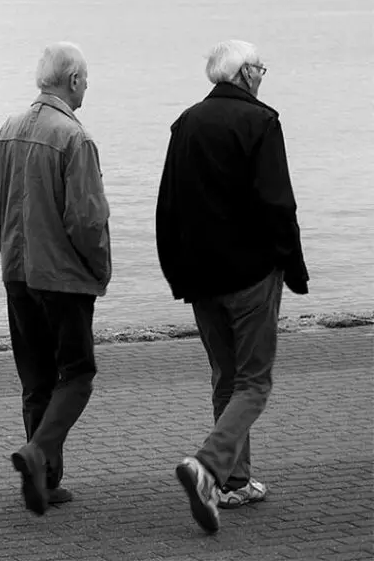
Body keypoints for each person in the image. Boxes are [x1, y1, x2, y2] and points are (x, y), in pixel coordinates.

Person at [156, 40, 309, 534]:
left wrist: (175, 272)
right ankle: (207, 466)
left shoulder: (186, 123)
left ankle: (235, 481)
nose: (263, 76)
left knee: (226, 378)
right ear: (243, 73)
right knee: (254, 382)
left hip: (202, 279)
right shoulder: (261, 122)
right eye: (260, 68)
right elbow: (277, 204)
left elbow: (168, 208)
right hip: (251, 276)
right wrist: (294, 266)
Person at [0, 42, 111, 516]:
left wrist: (8, 248)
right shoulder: (75, 139)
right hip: (62, 279)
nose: (86, 87)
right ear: (73, 80)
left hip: (18, 274)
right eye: (86, 80)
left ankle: (45, 482)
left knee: (37, 378)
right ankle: (38, 458)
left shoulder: (9, 129)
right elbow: (87, 220)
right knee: (77, 376)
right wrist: (98, 268)